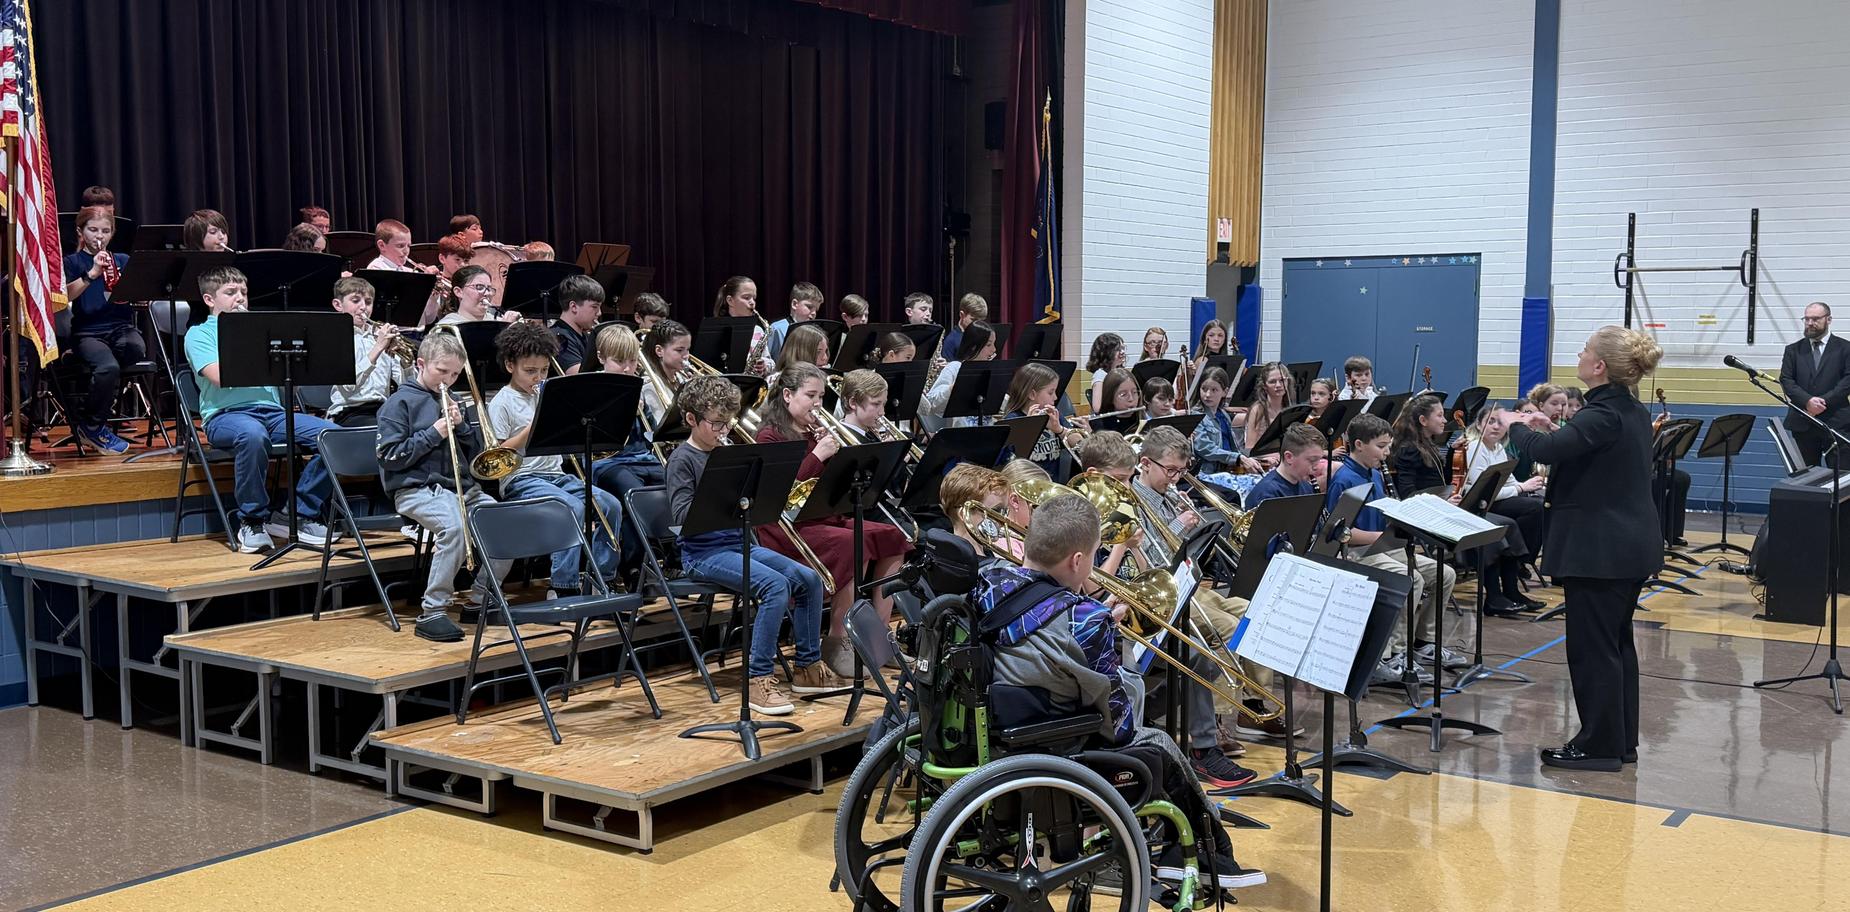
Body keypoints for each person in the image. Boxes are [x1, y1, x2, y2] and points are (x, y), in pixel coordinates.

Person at [975, 494, 1265, 889]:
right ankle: (1205, 855)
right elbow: (1120, 722)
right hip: (1055, 737)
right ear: (1078, 561)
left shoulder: (990, 579)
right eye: (1095, 555)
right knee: (1159, 743)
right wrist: (1111, 638)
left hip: (1002, 716)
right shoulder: (1084, 619)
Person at [1496, 326, 1664, 771]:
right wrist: (1552, 426)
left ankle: (1598, 745)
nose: (1579, 353)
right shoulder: (1626, 410)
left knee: (1593, 651)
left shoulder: (1602, 413)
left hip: (1601, 550)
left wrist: (1517, 425)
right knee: (1616, 646)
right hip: (1625, 545)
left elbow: (1549, 451)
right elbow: (1578, 446)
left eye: (1585, 350)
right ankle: (1619, 739)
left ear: (1599, 366)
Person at [668, 374, 844, 713]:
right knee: (776, 586)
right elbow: (681, 518)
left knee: (809, 579)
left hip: (738, 544)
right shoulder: (682, 460)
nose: (723, 431)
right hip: (703, 553)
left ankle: (807, 667)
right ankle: (758, 678)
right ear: (691, 419)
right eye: (716, 424)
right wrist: (723, 491)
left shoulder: (732, 452)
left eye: (727, 423)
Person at [1131, 425, 1291, 754]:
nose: (1175, 479)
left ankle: (1255, 703)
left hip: (1187, 583)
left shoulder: (1165, 496)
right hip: (1163, 592)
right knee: (1226, 629)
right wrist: (1180, 525)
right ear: (1146, 463)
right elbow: (1147, 557)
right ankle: (1216, 722)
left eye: (1181, 471)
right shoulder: (1134, 499)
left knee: (1251, 612)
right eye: (1170, 470)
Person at [754, 364, 910, 674]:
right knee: (851, 544)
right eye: (810, 395)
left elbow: (832, 485)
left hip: (821, 517)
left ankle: (879, 637)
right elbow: (781, 492)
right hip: (785, 527)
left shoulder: (817, 432)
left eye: (822, 396)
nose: (817, 403)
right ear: (787, 395)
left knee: (895, 538)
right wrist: (818, 456)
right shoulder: (768, 436)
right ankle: (839, 638)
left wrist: (840, 458)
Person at [184, 266, 337, 553]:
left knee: (333, 435)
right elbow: (219, 376)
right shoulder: (199, 333)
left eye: (243, 292)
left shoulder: (263, 328)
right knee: (252, 435)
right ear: (209, 299)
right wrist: (249, 339)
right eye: (230, 293)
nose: (239, 299)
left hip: (272, 413)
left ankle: (298, 512)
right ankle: (252, 521)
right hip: (226, 415)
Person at [378, 332, 511, 642]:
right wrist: (434, 434)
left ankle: (480, 599)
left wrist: (462, 426)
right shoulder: (399, 404)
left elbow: (476, 453)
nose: (448, 380)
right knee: (453, 527)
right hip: (416, 490)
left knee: (505, 524)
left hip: (462, 488)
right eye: (442, 371)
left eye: (454, 374)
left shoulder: (451, 400)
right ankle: (433, 611)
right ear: (421, 364)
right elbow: (390, 458)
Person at [487, 322, 623, 596]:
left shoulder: (549, 394)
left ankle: (601, 579)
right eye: (530, 371)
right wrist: (534, 427)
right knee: (570, 508)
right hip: (521, 479)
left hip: (556, 475)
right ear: (510, 365)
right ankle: (563, 585)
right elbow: (500, 455)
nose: (538, 377)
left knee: (611, 505)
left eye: (544, 370)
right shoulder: (502, 401)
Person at [1326, 413, 1455, 683]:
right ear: (1359, 444)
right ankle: (1389, 654)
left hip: (1383, 547)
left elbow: (1387, 513)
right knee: (1410, 579)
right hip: (1357, 553)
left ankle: (1423, 642)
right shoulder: (1345, 479)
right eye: (1381, 447)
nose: (1386, 454)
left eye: (1388, 447)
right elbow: (1340, 534)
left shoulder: (1374, 472)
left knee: (1445, 574)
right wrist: (1380, 537)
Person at [1393, 395, 1540, 617]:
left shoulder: (1429, 444)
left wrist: (1453, 453)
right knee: (1489, 529)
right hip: (1427, 516)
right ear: (1423, 420)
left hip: (1441, 507)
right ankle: (1494, 597)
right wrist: (1442, 500)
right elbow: (1408, 493)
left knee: (1507, 525)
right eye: (1440, 415)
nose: (1445, 420)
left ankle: (1510, 591)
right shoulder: (1409, 449)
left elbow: (1443, 479)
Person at [591, 324, 670, 587]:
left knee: (674, 483)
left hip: (641, 458)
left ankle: (673, 557)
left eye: (633, 361)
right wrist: (621, 413)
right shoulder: (592, 389)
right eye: (619, 361)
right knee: (633, 493)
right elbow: (601, 442)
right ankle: (633, 565)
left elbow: (648, 435)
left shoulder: (638, 386)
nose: (627, 368)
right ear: (602, 358)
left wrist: (644, 411)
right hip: (605, 461)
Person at [60, 206, 141, 454]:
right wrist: (92, 273)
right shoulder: (72, 262)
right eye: (93, 229)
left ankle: (88, 410)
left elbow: (137, 295)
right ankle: (92, 425)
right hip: (88, 331)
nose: (100, 236)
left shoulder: (123, 260)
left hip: (120, 328)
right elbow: (64, 298)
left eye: (105, 231)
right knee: (108, 367)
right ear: (80, 232)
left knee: (136, 348)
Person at [1462, 406, 1549, 610]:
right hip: (1478, 506)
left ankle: (1512, 585)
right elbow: (1482, 492)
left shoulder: (1498, 448)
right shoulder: (1475, 447)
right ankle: (1516, 567)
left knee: (1536, 506)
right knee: (1525, 515)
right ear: (1479, 424)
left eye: (1500, 422)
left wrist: (1527, 485)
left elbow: (1507, 482)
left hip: (1495, 502)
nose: (1495, 426)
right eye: (1490, 421)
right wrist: (1521, 488)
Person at [327, 276, 405, 427]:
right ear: (338, 305)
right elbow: (349, 387)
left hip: (382, 409)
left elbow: (405, 385)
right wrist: (378, 348)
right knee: (389, 429)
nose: (364, 307)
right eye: (356, 301)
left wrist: (406, 363)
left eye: (368, 302)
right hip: (349, 411)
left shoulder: (379, 336)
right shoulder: (335, 338)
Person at [1779, 301, 1850, 466]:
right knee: (1807, 479)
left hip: (1836, 422)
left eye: (1816, 319)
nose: (1810, 323)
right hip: (1803, 421)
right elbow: (1787, 380)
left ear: (1829, 319)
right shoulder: (1793, 350)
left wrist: (1824, 401)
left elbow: (1847, 380)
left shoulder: (1845, 348)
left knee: (1842, 477)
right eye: (1806, 319)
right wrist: (1808, 402)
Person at [1003, 362, 1083, 481]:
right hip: (1026, 486)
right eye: (1051, 392)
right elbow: (1013, 462)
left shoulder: (1053, 415)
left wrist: (1059, 430)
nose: (1055, 397)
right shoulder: (1013, 420)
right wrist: (1029, 429)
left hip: (1053, 485)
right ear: (1032, 394)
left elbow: (1080, 444)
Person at [919, 321, 998, 432]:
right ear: (973, 346)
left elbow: (1002, 404)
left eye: (994, 344)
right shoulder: (955, 368)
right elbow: (932, 403)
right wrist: (952, 388)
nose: (994, 349)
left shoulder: (991, 371)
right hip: (959, 434)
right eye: (989, 345)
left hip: (987, 432)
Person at [1190, 367, 1259, 478]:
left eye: (1214, 390)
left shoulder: (1223, 414)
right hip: (1206, 474)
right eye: (1204, 389)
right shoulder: (1196, 415)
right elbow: (1205, 448)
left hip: (1227, 470)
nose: (1207, 394)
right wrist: (1238, 458)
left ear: (1225, 392)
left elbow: (1232, 447)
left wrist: (1253, 459)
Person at [1244, 424, 1329, 507]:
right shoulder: (1266, 495)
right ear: (1289, 457)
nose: (1316, 466)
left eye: (1319, 459)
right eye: (1312, 460)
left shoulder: (1307, 487)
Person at [714, 275, 775, 376]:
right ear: (730, 300)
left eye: (754, 298)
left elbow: (771, 362)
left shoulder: (757, 330)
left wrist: (765, 365)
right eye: (746, 298)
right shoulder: (716, 330)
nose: (752, 302)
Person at [550, 274, 605, 374]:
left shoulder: (585, 335)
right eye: (594, 307)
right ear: (574, 306)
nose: (599, 313)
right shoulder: (558, 337)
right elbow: (578, 377)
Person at [435, 264, 520, 325]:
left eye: (489, 288)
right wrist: (504, 328)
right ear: (459, 292)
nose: (487, 293)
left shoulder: (498, 320)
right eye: (479, 287)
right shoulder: (447, 327)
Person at [765, 281, 823, 362]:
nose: (814, 313)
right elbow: (766, 360)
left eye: (816, 310)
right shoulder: (776, 329)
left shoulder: (813, 332)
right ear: (794, 304)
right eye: (809, 307)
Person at [1086, 333, 1127, 413]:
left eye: (1123, 348)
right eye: (1117, 349)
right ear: (1106, 353)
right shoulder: (1100, 376)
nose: (1122, 352)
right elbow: (1097, 408)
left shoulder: (1119, 372)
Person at [942, 293, 988, 360]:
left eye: (981, 321)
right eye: (973, 320)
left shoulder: (982, 337)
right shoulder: (951, 340)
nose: (978, 325)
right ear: (962, 315)